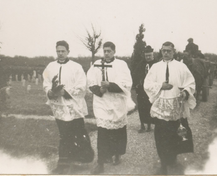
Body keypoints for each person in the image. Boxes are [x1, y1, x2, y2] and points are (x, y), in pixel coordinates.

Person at [144, 41, 196, 175]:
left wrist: (185, 93)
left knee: (176, 134)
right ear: (160, 51)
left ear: (173, 52)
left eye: (169, 51)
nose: (166, 53)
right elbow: (147, 84)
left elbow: (191, 83)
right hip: (161, 108)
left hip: (176, 107)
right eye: (164, 50)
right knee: (161, 136)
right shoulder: (155, 67)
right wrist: (160, 86)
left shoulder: (181, 67)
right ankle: (163, 164)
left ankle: (172, 158)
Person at [43, 40, 94, 174]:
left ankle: (82, 160)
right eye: (58, 51)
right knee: (64, 135)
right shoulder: (50, 66)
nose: (60, 54)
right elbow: (46, 82)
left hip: (74, 106)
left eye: (63, 51)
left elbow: (82, 86)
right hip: (59, 107)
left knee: (78, 133)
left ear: (68, 52)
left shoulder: (76, 67)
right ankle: (64, 164)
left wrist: (65, 92)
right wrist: (50, 91)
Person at [87, 41, 133, 174]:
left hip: (117, 102)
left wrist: (110, 85)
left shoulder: (121, 65)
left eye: (109, 51)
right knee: (102, 133)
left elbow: (127, 84)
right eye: (105, 51)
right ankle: (100, 162)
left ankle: (117, 153)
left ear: (114, 51)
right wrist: (100, 89)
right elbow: (90, 82)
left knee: (117, 131)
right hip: (102, 102)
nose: (106, 53)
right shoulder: (96, 65)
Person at [132, 45, 157, 133]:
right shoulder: (141, 64)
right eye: (146, 56)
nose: (148, 57)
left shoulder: (156, 65)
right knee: (142, 107)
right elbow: (135, 74)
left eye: (150, 55)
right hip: (142, 91)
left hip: (152, 90)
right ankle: (142, 125)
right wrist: (137, 84)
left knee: (151, 107)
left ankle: (150, 125)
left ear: (153, 55)